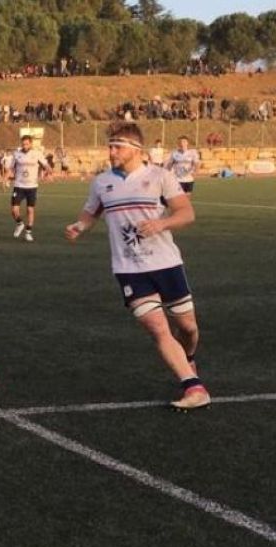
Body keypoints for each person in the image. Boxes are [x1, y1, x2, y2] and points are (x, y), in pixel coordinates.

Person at [63, 122, 208, 411]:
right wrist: (80, 226)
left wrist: (162, 223)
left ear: (135, 149)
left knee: (188, 328)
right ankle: (193, 387)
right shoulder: (101, 182)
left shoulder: (159, 176)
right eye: (110, 145)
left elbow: (186, 212)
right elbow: (91, 213)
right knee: (158, 329)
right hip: (128, 268)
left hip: (166, 263)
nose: (111, 151)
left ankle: (188, 357)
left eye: (116, 146)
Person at [8, 134, 52, 242]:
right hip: (19, 185)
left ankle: (28, 232)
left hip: (32, 186)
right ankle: (19, 223)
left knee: (30, 209)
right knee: (14, 210)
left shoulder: (37, 154)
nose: (25, 145)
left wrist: (49, 173)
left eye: (27, 144)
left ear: (31, 144)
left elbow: (46, 165)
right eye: (23, 144)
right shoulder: (16, 154)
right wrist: (4, 180)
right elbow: (10, 168)